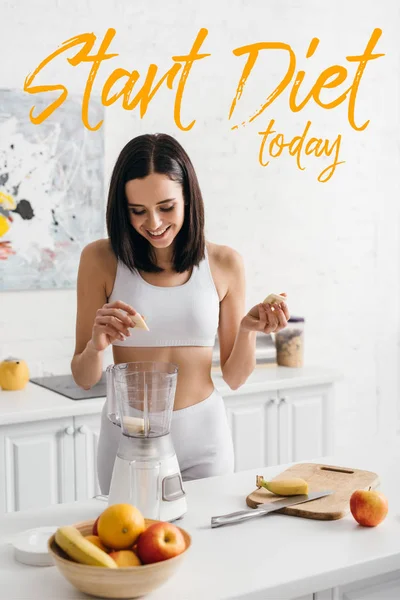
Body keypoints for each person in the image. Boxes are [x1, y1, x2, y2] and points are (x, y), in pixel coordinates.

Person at [71, 133, 290, 493]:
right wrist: (97, 345)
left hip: (204, 437)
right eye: (137, 211)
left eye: (166, 207)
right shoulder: (99, 260)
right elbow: (82, 377)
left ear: (189, 196)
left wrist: (249, 329)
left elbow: (234, 378)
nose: (154, 223)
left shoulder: (224, 263)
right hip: (127, 438)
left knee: (209, 545)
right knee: (127, 545)